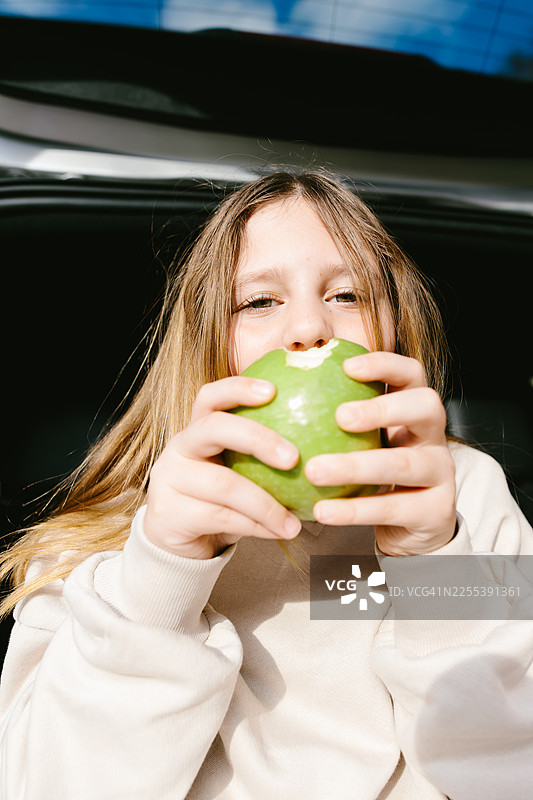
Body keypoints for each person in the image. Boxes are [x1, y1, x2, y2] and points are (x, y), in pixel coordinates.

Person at [0, 170, 532, 799]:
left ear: (394, 329)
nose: (310, 327)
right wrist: (163, 574)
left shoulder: (465, 499)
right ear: (206, 347)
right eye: (258, 302)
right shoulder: (106, 543)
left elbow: (510, 772)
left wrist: (432, 568)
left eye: (349, 295)